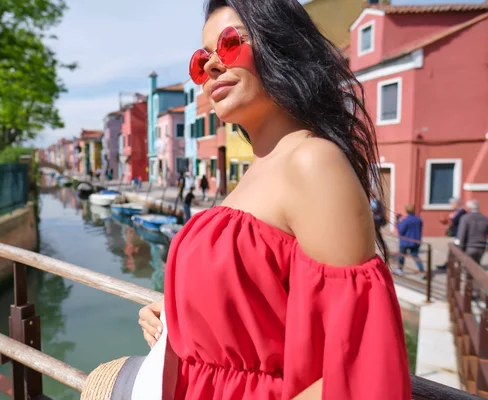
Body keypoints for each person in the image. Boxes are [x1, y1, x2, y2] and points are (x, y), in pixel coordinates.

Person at [137, 1, 410, 399]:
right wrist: (178, 316)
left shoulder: (312, 163)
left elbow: (359, 368)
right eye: (201, 61)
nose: (211, 68)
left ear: (280, 44)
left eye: (229, 44)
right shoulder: (258, 170)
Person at [437, 197, 467, 270]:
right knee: (454, 250)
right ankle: (448, 265)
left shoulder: (462, 212)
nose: (451, 205)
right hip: (457, 234)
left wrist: (452, 218)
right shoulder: (457, 211)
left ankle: (449, 265)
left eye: (452, 203)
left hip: (460, 235)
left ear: (457, 203)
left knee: (455, 250)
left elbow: (456, 221)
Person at [395, 205, 425, 276]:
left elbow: (401, 230)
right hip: (416, 241)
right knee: (415, 255)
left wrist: (397, 222)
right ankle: (422, 270)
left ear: (406, 211)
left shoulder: (406, 220)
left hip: (405, 241)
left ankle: (400, 269)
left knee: (402, 255)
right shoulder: (419, 219)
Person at [457, 199, 488, 265]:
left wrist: (460, 247)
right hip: (481, 246)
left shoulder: (465, 218)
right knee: (476, 266)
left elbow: (462, 233)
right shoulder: (485, 218)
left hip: (469, 246)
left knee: (469, 267)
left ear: (469, 208)